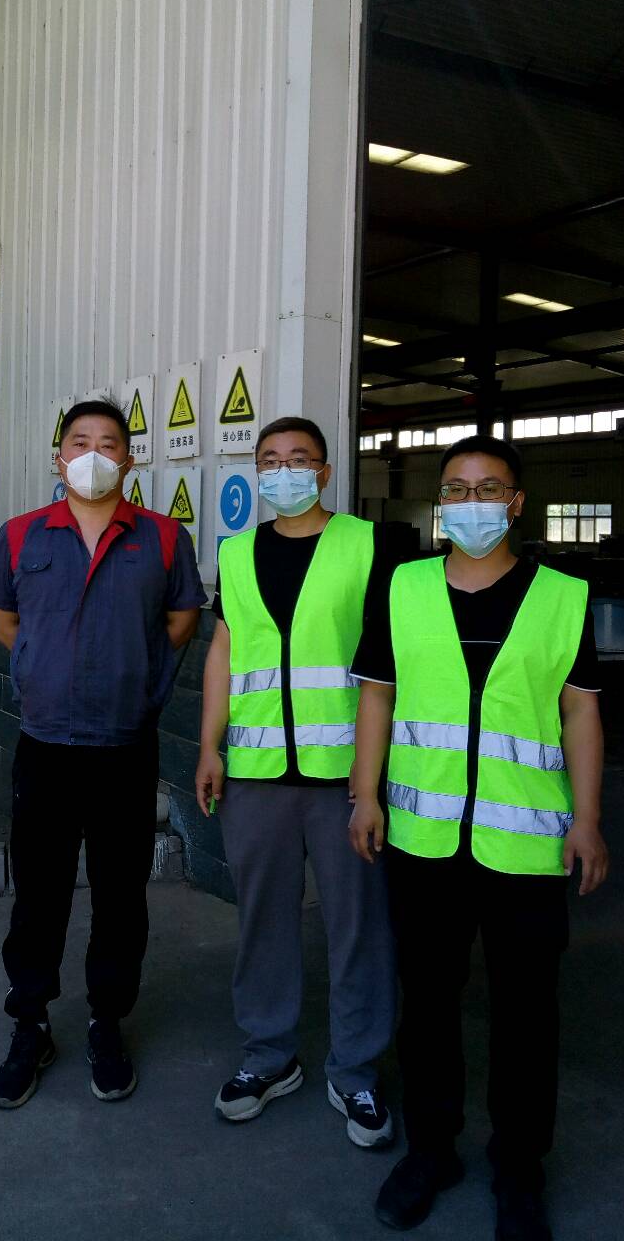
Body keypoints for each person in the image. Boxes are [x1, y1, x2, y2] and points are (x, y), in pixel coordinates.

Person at [349, 436, 608, 1241]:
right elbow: (377, 695)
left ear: (516, 502)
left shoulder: (562, 596)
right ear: (440, 502)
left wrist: (588, 820)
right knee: (428, 1005)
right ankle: (432, 1151)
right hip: (424, 841)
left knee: (526, 1016)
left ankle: (519, 1167)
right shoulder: (403, 586)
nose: (472, 502)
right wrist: (365, 795)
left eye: (489, 488)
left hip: (525, 846)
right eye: (457, 489)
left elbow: (580, 710)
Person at [0, 398, 206, 1110]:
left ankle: (108, 1020)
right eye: (81, 442)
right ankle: (31, 1023)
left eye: (109, 443)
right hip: (45, 745)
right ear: (60, 456)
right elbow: (4, 618)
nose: (94, 454)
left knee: (120, 895)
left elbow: (182, 617)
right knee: (38, 893)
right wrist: (45, 663)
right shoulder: (22, 534)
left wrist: (136, 670)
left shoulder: (163, 537)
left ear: (129, 460)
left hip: (123, 748)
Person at [195, 416, 405, 1148]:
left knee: (358, 925)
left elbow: (387, 663)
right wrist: (210, 745)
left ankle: (356, 1070)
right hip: (256, 773)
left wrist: (372, 780)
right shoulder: (237, 552)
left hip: (346, 775)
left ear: (324, 471)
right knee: (263, 918)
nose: (284, 470)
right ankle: (268, 1055)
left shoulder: (369, 545)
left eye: (299, 458)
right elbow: (224, 649)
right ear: (258, 472)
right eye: (270, 460)